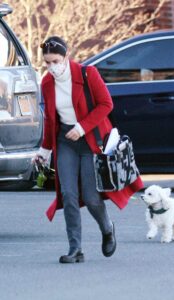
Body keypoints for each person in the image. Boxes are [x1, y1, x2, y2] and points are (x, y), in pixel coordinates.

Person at [34, 36, 144, 264]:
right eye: (47, 62)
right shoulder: (46, 83)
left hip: (91, 141)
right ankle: (75, 249)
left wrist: (82, 127)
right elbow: (50, 119)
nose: (52, 67)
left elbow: (106, 104)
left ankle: (107, 228)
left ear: (66, 56)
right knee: (68, 194)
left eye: (55, 61)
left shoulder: (87, 74)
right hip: (65, 142)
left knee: (92, 197)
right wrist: (44, 151)